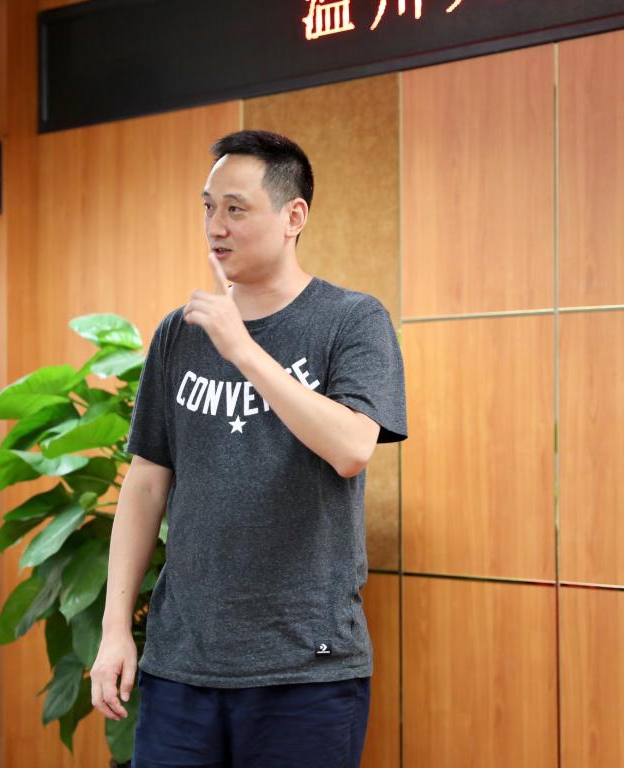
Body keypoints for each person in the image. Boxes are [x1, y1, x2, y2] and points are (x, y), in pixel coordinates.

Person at [90, 129, 407, 767]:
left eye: (236, 209)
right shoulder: (179, 335)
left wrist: (244, 351)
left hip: (308, 669)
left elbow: (352, 447)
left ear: (294, 217)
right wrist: (115, 629)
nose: (216, 226)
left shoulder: (351, 320)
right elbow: (146, 484)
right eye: (209, 207)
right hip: (182, 663)